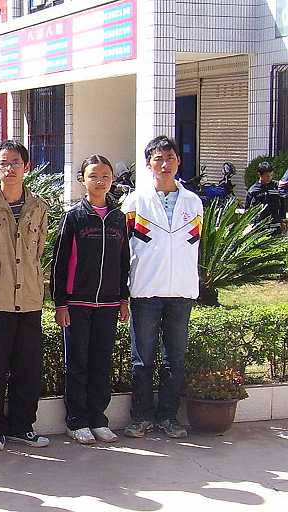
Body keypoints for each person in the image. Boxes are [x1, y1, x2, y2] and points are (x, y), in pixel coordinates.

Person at [0, 140, 50, 451]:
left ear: (26, 167)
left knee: (28, 367)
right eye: (3, 162)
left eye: (16, 162)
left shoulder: (39, 207)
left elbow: (38, 251)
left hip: (29, 300)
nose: (10, 168)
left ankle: (22, 425)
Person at [122, 136, 203, 440]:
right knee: (142, 359)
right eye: (158, 158)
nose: (165, 164)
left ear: (178, 162)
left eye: (170, 158)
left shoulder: (193, 202)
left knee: (175, 359)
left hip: (181, 292)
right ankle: (141, 417)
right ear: (148, 164)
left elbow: (192, 246)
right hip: (145, 291)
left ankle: (168, 417)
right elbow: (124, 248)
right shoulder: (135, 202)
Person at [50, 155, 130, 445]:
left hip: (108, 304)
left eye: (105, 176)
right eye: (93, 176)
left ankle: (98, 419)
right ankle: (77, 421)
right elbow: (59, 263)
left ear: (112, 179)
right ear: (82, 180)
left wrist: (123, 298)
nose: (100, 181)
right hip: (77, 304)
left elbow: (124, 261)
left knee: (100, 362)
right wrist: (60, 303)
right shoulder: (73, 217)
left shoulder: (119, 218)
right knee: (77, 363)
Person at [244, 161, 286, 229]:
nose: (269, 177)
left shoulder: (277, 186)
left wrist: (282, 220)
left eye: (271, 175)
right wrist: (250, 224)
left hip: (275, 225)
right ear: (259, 175)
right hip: (260, 227)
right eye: (267, 176)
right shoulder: (253, 190)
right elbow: (247, 209)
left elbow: (282, 203)